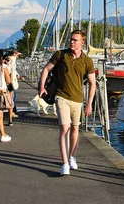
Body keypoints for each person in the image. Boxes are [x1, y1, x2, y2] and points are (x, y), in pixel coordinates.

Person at [39, 30, 95, 176]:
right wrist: (41, 86)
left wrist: (89, 104)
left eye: (75, 40)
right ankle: (64, 163)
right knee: (65, 127)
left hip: (78, 99)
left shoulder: (87, 61)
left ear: (82, 42)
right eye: (71, 39)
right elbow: (46, 69)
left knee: (75, 129)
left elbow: (92, 83)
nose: (72, 42)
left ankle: (72, 157)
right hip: (61, 97)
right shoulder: (60, 54)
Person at [7, 49, 24, 126]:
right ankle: (11, 114)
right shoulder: (11, 60)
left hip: (12, 80)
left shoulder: (10, 60)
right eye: (17, 55)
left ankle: (12, 113)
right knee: (11, 98)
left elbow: (13, 71)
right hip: (11, 82)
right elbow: (11, 71)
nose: (18, 56)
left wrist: (18, 76)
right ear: (14, 54)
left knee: (12, 98)